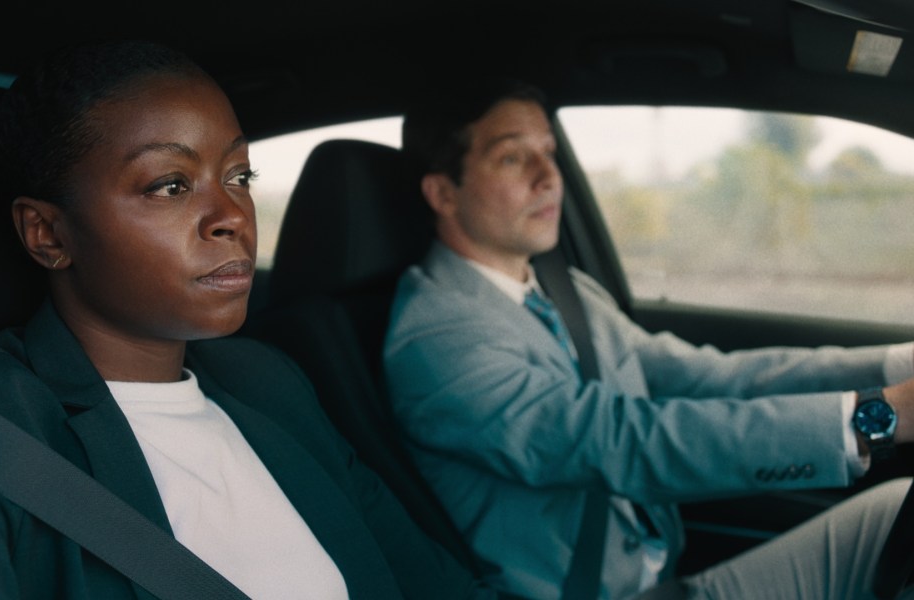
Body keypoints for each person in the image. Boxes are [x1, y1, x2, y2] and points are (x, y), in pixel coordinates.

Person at [0, 39, 496, 599]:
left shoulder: (268, 383)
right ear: (47, 234)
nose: (231, 217)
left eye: (240, 176)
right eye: (170, 185)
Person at [381, 76, 914, 600]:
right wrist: (882, 416)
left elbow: (702, 376)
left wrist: (896, 364)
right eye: (513, 158)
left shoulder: (561, 288)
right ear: (443, 193)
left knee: (896, 514)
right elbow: (624, 441)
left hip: (659, 578)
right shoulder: (435, 340)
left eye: (548, 151)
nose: (549, 176)